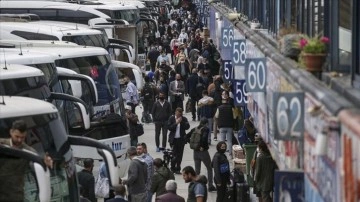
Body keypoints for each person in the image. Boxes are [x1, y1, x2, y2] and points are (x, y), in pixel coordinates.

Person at [0, 120, 54, 201]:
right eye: (17, 136)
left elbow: (40, 163)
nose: (19, 140)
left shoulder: (28, 152)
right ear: (11, 132)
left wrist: (46, 163)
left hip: (14, 196)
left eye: (22, 137)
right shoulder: (2, 144)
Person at [187, 118, 217, 192]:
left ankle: (195, 184)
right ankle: (210, 185)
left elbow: (186, 136)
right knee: (209, 168)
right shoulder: (206, 129)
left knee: (197, 170)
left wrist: (193, 145)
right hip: (203, 152)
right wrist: (202, 147)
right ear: (206, 123)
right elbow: (204, 139)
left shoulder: (194, 128)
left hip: (195, 152)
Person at [167, 107, 190, 174]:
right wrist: (176, 123)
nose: (179, 115)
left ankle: (178, 168)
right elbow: (169, 128)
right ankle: (172, 167)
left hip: (181, 139)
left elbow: (187, 127)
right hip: (173, 140)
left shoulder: (184, 119)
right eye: (177, 114)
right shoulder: (171, 118)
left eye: (180, 114)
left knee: (180, 155)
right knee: (174, 154)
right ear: (175, 112)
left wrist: (181, 121)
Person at [214, 90, 236, 158]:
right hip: (229, 126)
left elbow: (216, 116)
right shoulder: (231, 108)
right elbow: (235, 116)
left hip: (222, 127)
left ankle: (222, 154)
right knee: (229, 141)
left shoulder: (219, 108)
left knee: (222, 141)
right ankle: (230, 154)